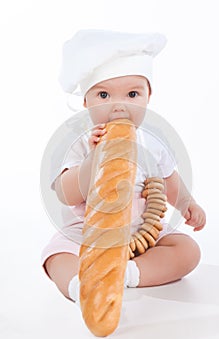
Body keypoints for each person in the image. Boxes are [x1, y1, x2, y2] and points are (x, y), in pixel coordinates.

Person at [41, 29, 206, 304]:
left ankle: (126, 274)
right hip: (88, 234)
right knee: (56, 256)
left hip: (141, 230)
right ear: (85, 102)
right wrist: (93, 160)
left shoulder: (153, 142)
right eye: (104, 95)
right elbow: (66, 194)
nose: (119, 106)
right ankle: (80, 286)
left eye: (132, 94)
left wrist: (187, 203)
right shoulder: (80, 143)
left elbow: (168, 179)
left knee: (187, 250)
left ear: (148, 97)